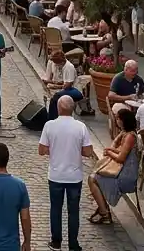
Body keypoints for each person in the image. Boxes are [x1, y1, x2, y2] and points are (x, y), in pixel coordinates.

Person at [39, 96, 93, 251]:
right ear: (73, 108)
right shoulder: (80, 127)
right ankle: (73, 244)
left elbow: (41, 150)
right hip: (74, 176)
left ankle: (56, 242)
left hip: (56, 175)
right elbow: (88, 152)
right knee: (73, 211)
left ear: (58, 108)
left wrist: (53, 149)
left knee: (55, 209)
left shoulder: (49, 126)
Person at [87, 107, 139, 224]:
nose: (116, 121)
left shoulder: (130, 136)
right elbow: (121, 151)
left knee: (92, 179)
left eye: (118, 119)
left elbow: (121, 158)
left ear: (123, 120)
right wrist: (111, 149)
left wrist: (109, 152)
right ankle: (103, 209)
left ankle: (104, 212)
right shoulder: (125, 134)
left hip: (126, 175)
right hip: (123, 170)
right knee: (94, 177)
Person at [107, 60, 144, 137]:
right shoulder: (118, 78)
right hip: (121, 103)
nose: (135, 73)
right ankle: (127, 134)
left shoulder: (139, 79)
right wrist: (128, 97)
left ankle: (141, 133)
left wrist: (140, 97)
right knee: (125, 113)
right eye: (132, 71)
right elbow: (111, 95)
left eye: (136, 70)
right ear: (125, 70)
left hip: (136, 105)